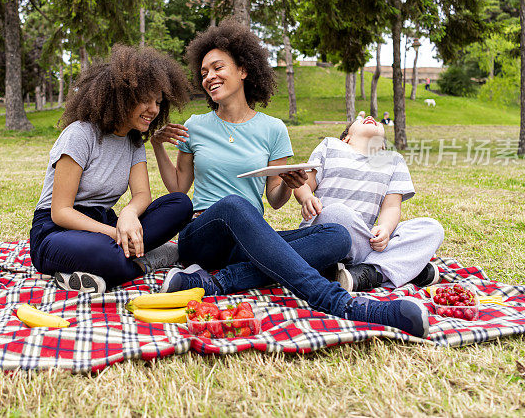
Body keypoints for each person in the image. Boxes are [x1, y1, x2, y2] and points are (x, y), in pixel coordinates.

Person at [150, 20, 430, 338]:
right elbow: (178, 188)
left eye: (217, 67)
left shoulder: (273, 129)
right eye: (204, 73)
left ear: (243, 70)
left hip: (248, 240)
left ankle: (213, 283)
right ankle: (346, 306)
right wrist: (158, 146)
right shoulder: (195, 125)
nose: (209, 77)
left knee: (337, 237)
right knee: (234, 205)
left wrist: (289, 182)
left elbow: (274, 198)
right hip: (203, 235)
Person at [28, 44, 194, 293]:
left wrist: (127, 215)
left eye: (158, 102)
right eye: (145, 100)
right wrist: (115, 233)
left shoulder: (134, 140)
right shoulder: (80, 135)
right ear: (121, 96)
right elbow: (60, 211)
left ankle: (104, 266)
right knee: (106, 254)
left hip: (105, 224)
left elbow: (142, 195)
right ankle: (147, 261)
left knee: (180, 204)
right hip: (56, 232)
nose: (154, 110)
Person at [294, 115, 444, 292]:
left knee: (431, 228)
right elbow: (303, 183)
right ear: (346, 138)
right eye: (360, 120)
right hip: (327, 232)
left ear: (382, 145)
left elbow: (392, 206)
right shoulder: (330, 145)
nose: (371, 117)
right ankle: (399, 268)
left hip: (364, 241)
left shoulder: (393, 160)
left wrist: (386, 229)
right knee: (338, 213)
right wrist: (306, 198)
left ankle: (367, 273)